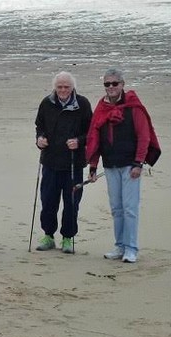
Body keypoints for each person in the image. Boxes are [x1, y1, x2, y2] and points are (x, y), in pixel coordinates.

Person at [86, 69, 161, 264]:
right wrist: (93, 166)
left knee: (130, 208)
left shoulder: (134, 107)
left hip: (130, 166)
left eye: (114, 83)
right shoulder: (101, 108)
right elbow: (95, 138)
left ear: (122, 84)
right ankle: (119, 246)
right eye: (107, 84)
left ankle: (131, 248)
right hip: (110, 165)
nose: (111, 87)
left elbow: (144, 136)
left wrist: (138, 163)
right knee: (116, 208)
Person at [34, 72, 92, 253]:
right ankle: (48, 236)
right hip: (50, 162)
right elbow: (39, 126)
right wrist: (40, 139)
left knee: (72, 202)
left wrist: (79, 141)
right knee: (48, 201)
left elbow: (91, 131)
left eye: (66, 87)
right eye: (59, 87)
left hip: (73, 164)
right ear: (55, 87)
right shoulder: (46, 103)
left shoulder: (82, 104)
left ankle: (68, 237)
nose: (63, 90)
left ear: (72, 87)